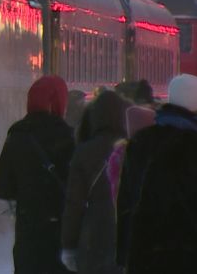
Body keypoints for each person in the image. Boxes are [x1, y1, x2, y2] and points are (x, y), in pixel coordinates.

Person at [116, 74, 197, 274]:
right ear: (195, 109)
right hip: (191, 257)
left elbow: (126, 202)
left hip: (145, 255)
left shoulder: (141, 142)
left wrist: (124, 254)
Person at [0, 75, 76, 274]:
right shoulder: (67, 137)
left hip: (27, 230)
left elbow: (1, 188)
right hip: (58, 230)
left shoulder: (17, 136)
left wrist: (26, 192)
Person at [60, 90, 130, 274]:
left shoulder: (84, 151)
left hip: (94, 237)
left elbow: (74, 204)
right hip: (127, 235)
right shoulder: (133, 146)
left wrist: (69, 245)